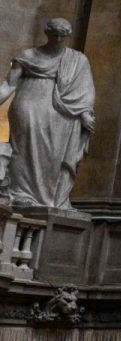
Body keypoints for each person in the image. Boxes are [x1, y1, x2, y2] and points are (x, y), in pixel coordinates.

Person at [0, 18, 94, 212]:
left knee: (54, 157)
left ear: (67, 36)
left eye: (63, 35)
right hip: (28, 107)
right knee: (24, 150)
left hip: (64, 114)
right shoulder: (29, 55)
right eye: (55, 34)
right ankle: (20, 193)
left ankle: (50, 198)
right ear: (47, 33)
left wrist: (84, 113)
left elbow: (85, 91)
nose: (58, 38)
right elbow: (9, 85)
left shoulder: (78, 60)